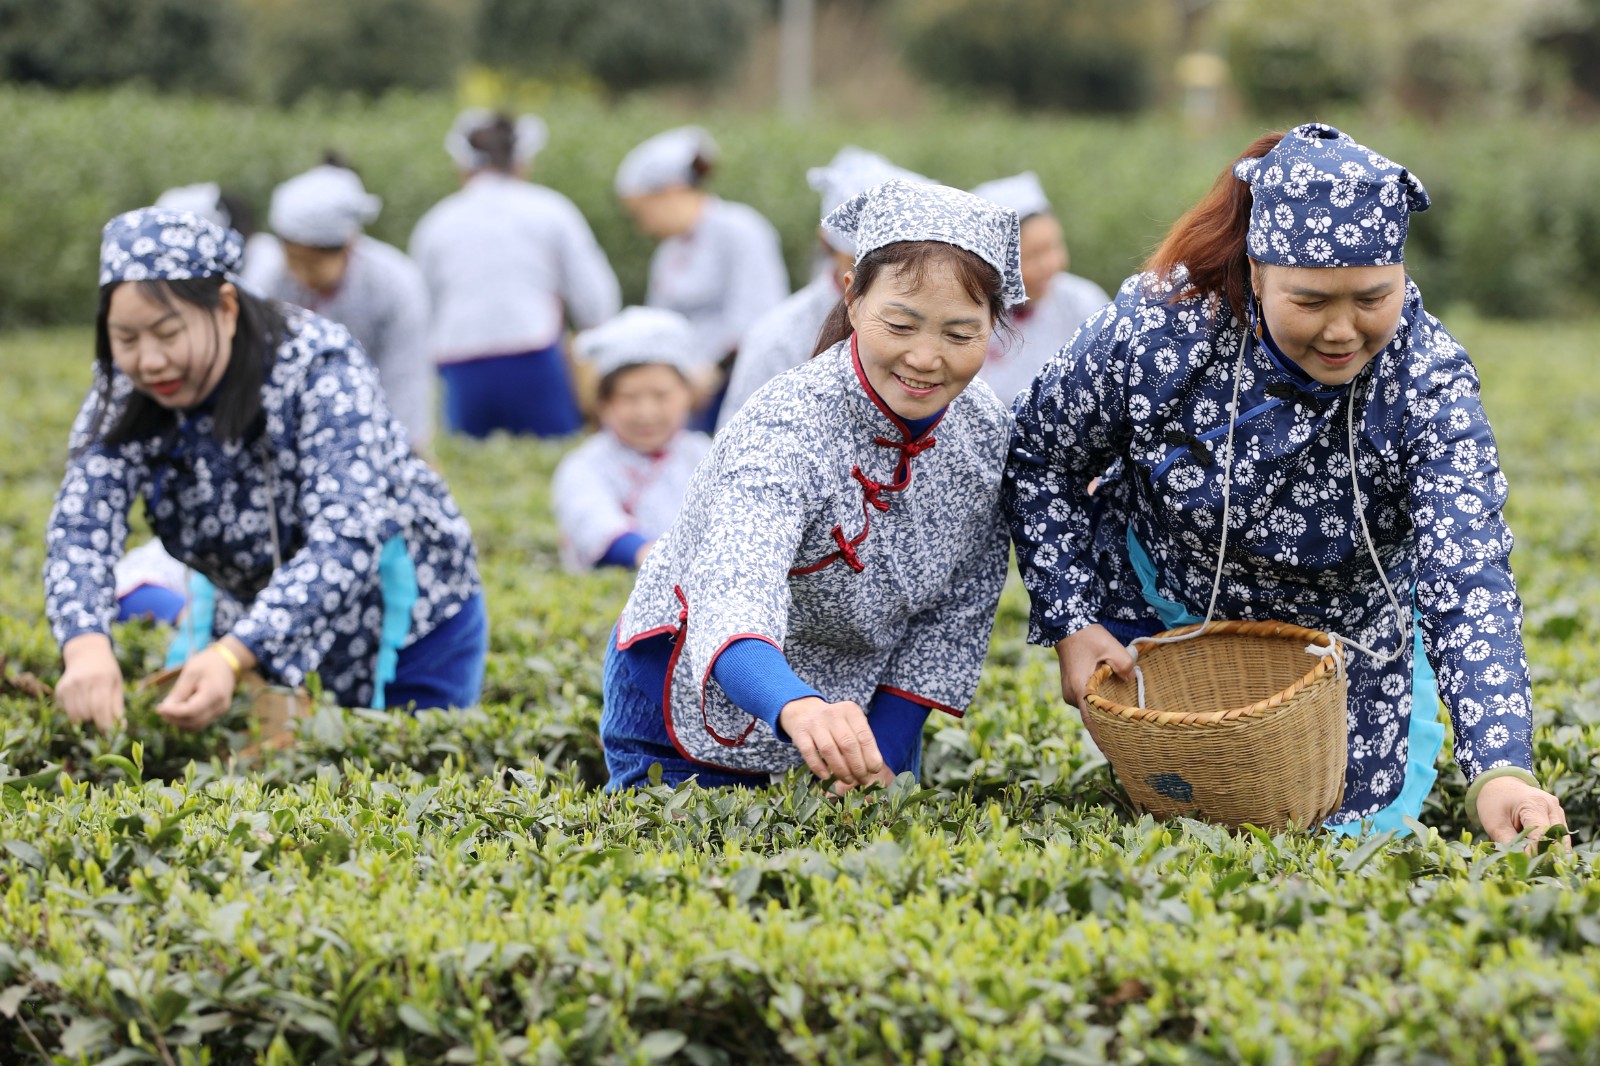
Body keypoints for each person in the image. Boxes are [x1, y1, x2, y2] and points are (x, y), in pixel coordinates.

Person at [1004, 124, 1567, 842]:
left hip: (1347, 642)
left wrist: (1501, 768)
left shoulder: (1426, 384)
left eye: (1372, 297)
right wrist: (1073, 621)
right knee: (1185, 832)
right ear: (1256, 273)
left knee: (1345, 833)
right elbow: (1042, 453)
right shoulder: (1161, 332)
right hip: (1164, 609)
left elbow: (1469, 576)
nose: (1342, 331)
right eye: (1310, 302)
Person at [602, 179, 1020, 792]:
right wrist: (794, 706)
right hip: (702, 681)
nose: (927, 358)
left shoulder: (986, 433)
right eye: (900, 325)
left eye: (959, 335)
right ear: (851, 297)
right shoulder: (787, 421)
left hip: (851, 704)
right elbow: (735, 586)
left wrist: (886, 747)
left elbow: (955, 611)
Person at [45, 208, 486, 734]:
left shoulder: (317, 365)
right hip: (259, 624)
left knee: (396, 789)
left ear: (226, 307)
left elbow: (349, 534)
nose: (150, 361)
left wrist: (235, 654)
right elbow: (82, 523)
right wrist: (85, 643)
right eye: (126, 339)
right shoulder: (126, 387)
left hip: (408, 621)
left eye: (167, 332)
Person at [410, 109, 620, 438]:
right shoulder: (551, 210)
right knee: (550, 462)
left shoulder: (437, 222)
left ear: (462, 165)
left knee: (469, 472)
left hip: (459, 363)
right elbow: (594, 297)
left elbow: (420, 305)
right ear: (522, 162)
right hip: (533, 356)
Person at [717, 146, 931, 430]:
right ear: (826, 242)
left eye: (897, 260)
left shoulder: (939, 319)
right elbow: (739, 441)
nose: (881, 276)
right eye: (860, 260)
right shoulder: (780, 339)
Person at [615, 126, 789, 430]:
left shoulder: (740, 230)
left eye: (641, 212)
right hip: (683, 390)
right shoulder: (669, 251)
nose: (642, 226)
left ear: (670, 191)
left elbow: (757, 318)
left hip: (734, 388)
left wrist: (708, 371)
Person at [259, 162, 436, 449]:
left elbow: (405, 380)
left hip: (378, 425)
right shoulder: (271, 283)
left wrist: (404, 449)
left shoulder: (394, 284)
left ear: (349, 243)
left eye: (313, 264)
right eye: (293, 260)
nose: (301, 274)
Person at [552, 307, 710, 572]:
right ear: (603, 402)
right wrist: (645, 553)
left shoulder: (706, 454)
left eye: (661, 395)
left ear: (687, 394)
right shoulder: (584, 465)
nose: (646, 412)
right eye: (629, 397)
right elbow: (592, 522)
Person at [970, 171, 1109, 406]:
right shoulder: (971, 312)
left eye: (1055, 246)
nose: (1051, 265)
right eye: (1033, 256)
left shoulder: (1082, 303)